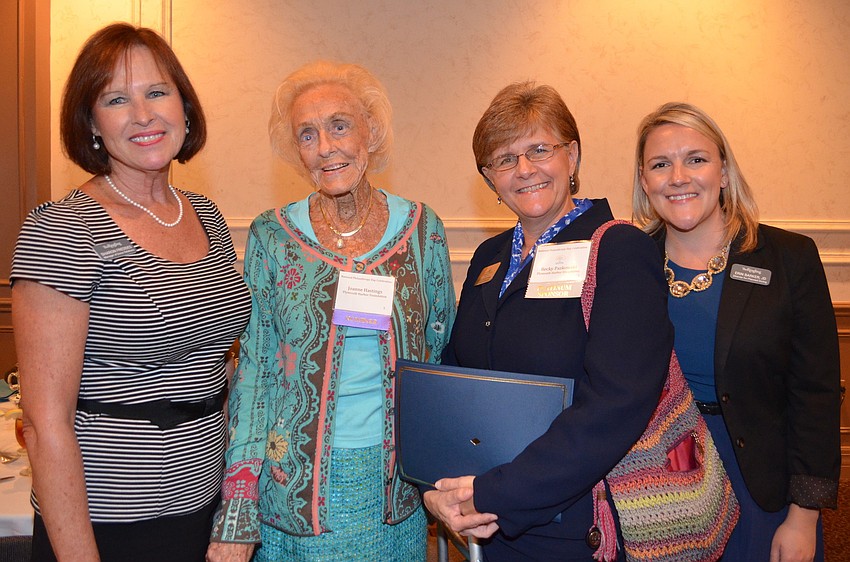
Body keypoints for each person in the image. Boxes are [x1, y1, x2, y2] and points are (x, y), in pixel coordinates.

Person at [11, 23, 251, 562]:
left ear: (185, 108)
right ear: (91, 123)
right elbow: (46, 424)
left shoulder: (207, 216)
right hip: (105, 524)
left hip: (209, 513)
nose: (143, 115)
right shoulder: (63, 229)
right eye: (116, 99)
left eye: (157, 92)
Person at [206, 61, 455, 562]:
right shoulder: (271, 236)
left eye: (339, 125)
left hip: (396, 489)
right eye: (307, 134)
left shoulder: (422, 229)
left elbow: (440, 352)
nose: (325, 147)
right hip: (290, 487)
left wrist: (439, 472)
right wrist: (237, 504)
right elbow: (254, 370)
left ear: (372, 130)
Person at [423, 81, 674, 561]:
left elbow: (616, 405)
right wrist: (437, 489)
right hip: (488, 520)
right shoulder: (488, 257)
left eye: (540, 149)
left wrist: (496, 494)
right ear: (489, 178)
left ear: (572, 156)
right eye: (504, 159)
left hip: (582, 527)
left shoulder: (619, 250)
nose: (524, 170)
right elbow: (457, 377)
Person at [632, 102, 841, 562]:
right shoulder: (628, 265)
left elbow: (817, 393)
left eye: (697, 159)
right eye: (661, 164)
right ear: (645, 183)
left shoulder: (789, 257)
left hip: (761, 483)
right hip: (658, 480)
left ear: (723, 173)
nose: (679, 176)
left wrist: (804, 516)